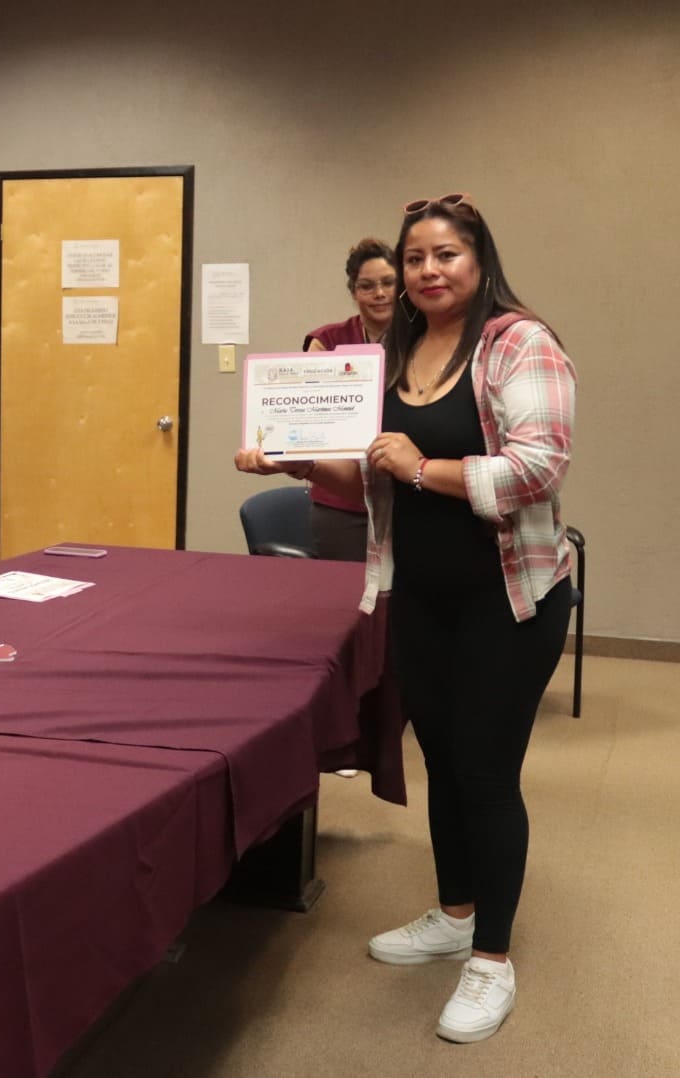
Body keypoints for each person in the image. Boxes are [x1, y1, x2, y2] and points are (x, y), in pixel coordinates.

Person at [236, 193, 575, 1043]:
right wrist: (289, 455)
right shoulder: (390, 354)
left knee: (488, 772)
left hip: (510, 596)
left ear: (478, 259)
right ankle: (456, 913)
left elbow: (536, 468)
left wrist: (424, 466)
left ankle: (491, 961)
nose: (428, 270)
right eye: (415, 257)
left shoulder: (520, 342)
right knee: (445, 761)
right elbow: (374, 478)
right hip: (418, 593)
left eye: (446, 255)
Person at [299, 238, 397, 562]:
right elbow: (314, 415)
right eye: (367, 286)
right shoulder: (326, 341)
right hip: (339, 505)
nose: (379, 293)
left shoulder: (426, 340)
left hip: (401, 499)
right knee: (343, 600)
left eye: (388, 283)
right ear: (354, 291)